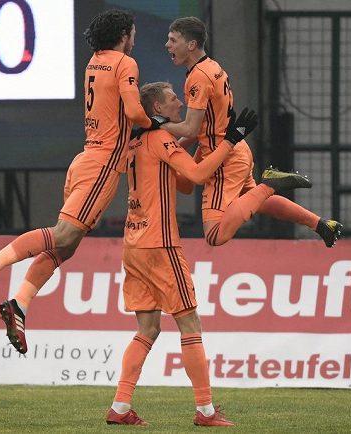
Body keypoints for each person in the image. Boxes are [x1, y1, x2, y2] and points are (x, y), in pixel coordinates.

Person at [0, 9, 166, 354]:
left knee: (66, 246)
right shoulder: (124, 63)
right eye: (132, 33)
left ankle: (19, 305)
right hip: (102, 163)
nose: (134, 39)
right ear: (123, 35)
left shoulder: (95, 60)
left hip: (85, 159)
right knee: (64, 235)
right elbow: (134, 113)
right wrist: (156, 122)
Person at [106, 82, 257, 427]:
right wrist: (231, 140)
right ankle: (205, 410)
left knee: (147, 328)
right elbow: (200, 175)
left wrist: (194, 143)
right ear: (157, 106)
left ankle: (120, 406)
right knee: (190, 323)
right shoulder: (159, 139)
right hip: (160, 244)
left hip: (133, 244)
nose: (181, 101)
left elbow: (185, 183)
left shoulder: (138, 140)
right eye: (173, 97)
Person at [161, 17, 343, 248]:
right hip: (234, 149)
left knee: (214, 235)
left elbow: (191, 128)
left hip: (222, 157)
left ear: (191, 45)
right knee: (241, 197)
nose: (167, 45)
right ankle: (320, 224)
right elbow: (199, 130)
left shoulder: (199, 77)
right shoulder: (210, 67)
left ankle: (269, 184)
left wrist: (158, 127)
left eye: (172, 40)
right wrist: (173, 147)